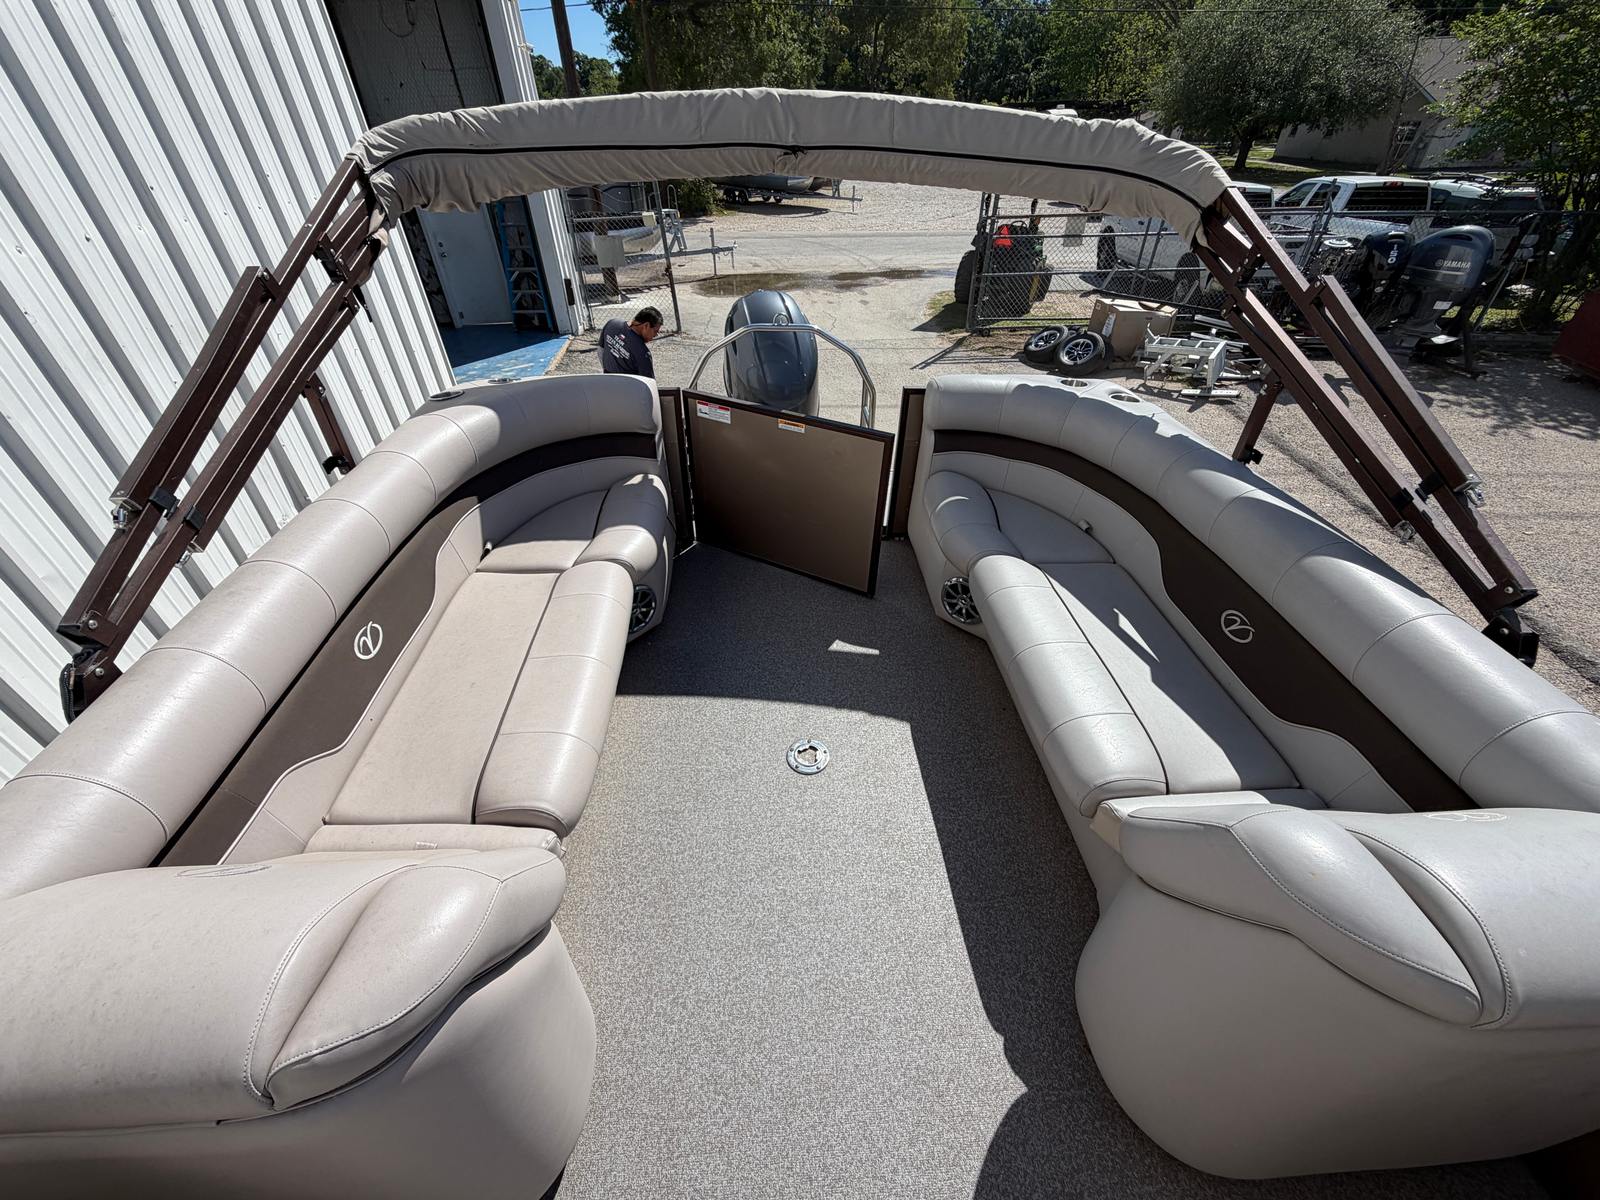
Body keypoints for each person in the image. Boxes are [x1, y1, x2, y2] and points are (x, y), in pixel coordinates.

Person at [598, 307, 662, 378]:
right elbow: (648, 382)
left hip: (607, 380)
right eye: (655, 331)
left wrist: (608, 374)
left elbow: (600, 350)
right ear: (646, 325)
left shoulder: (612, 323)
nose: (656, 335)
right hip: (628, 384)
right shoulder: (643, 354)